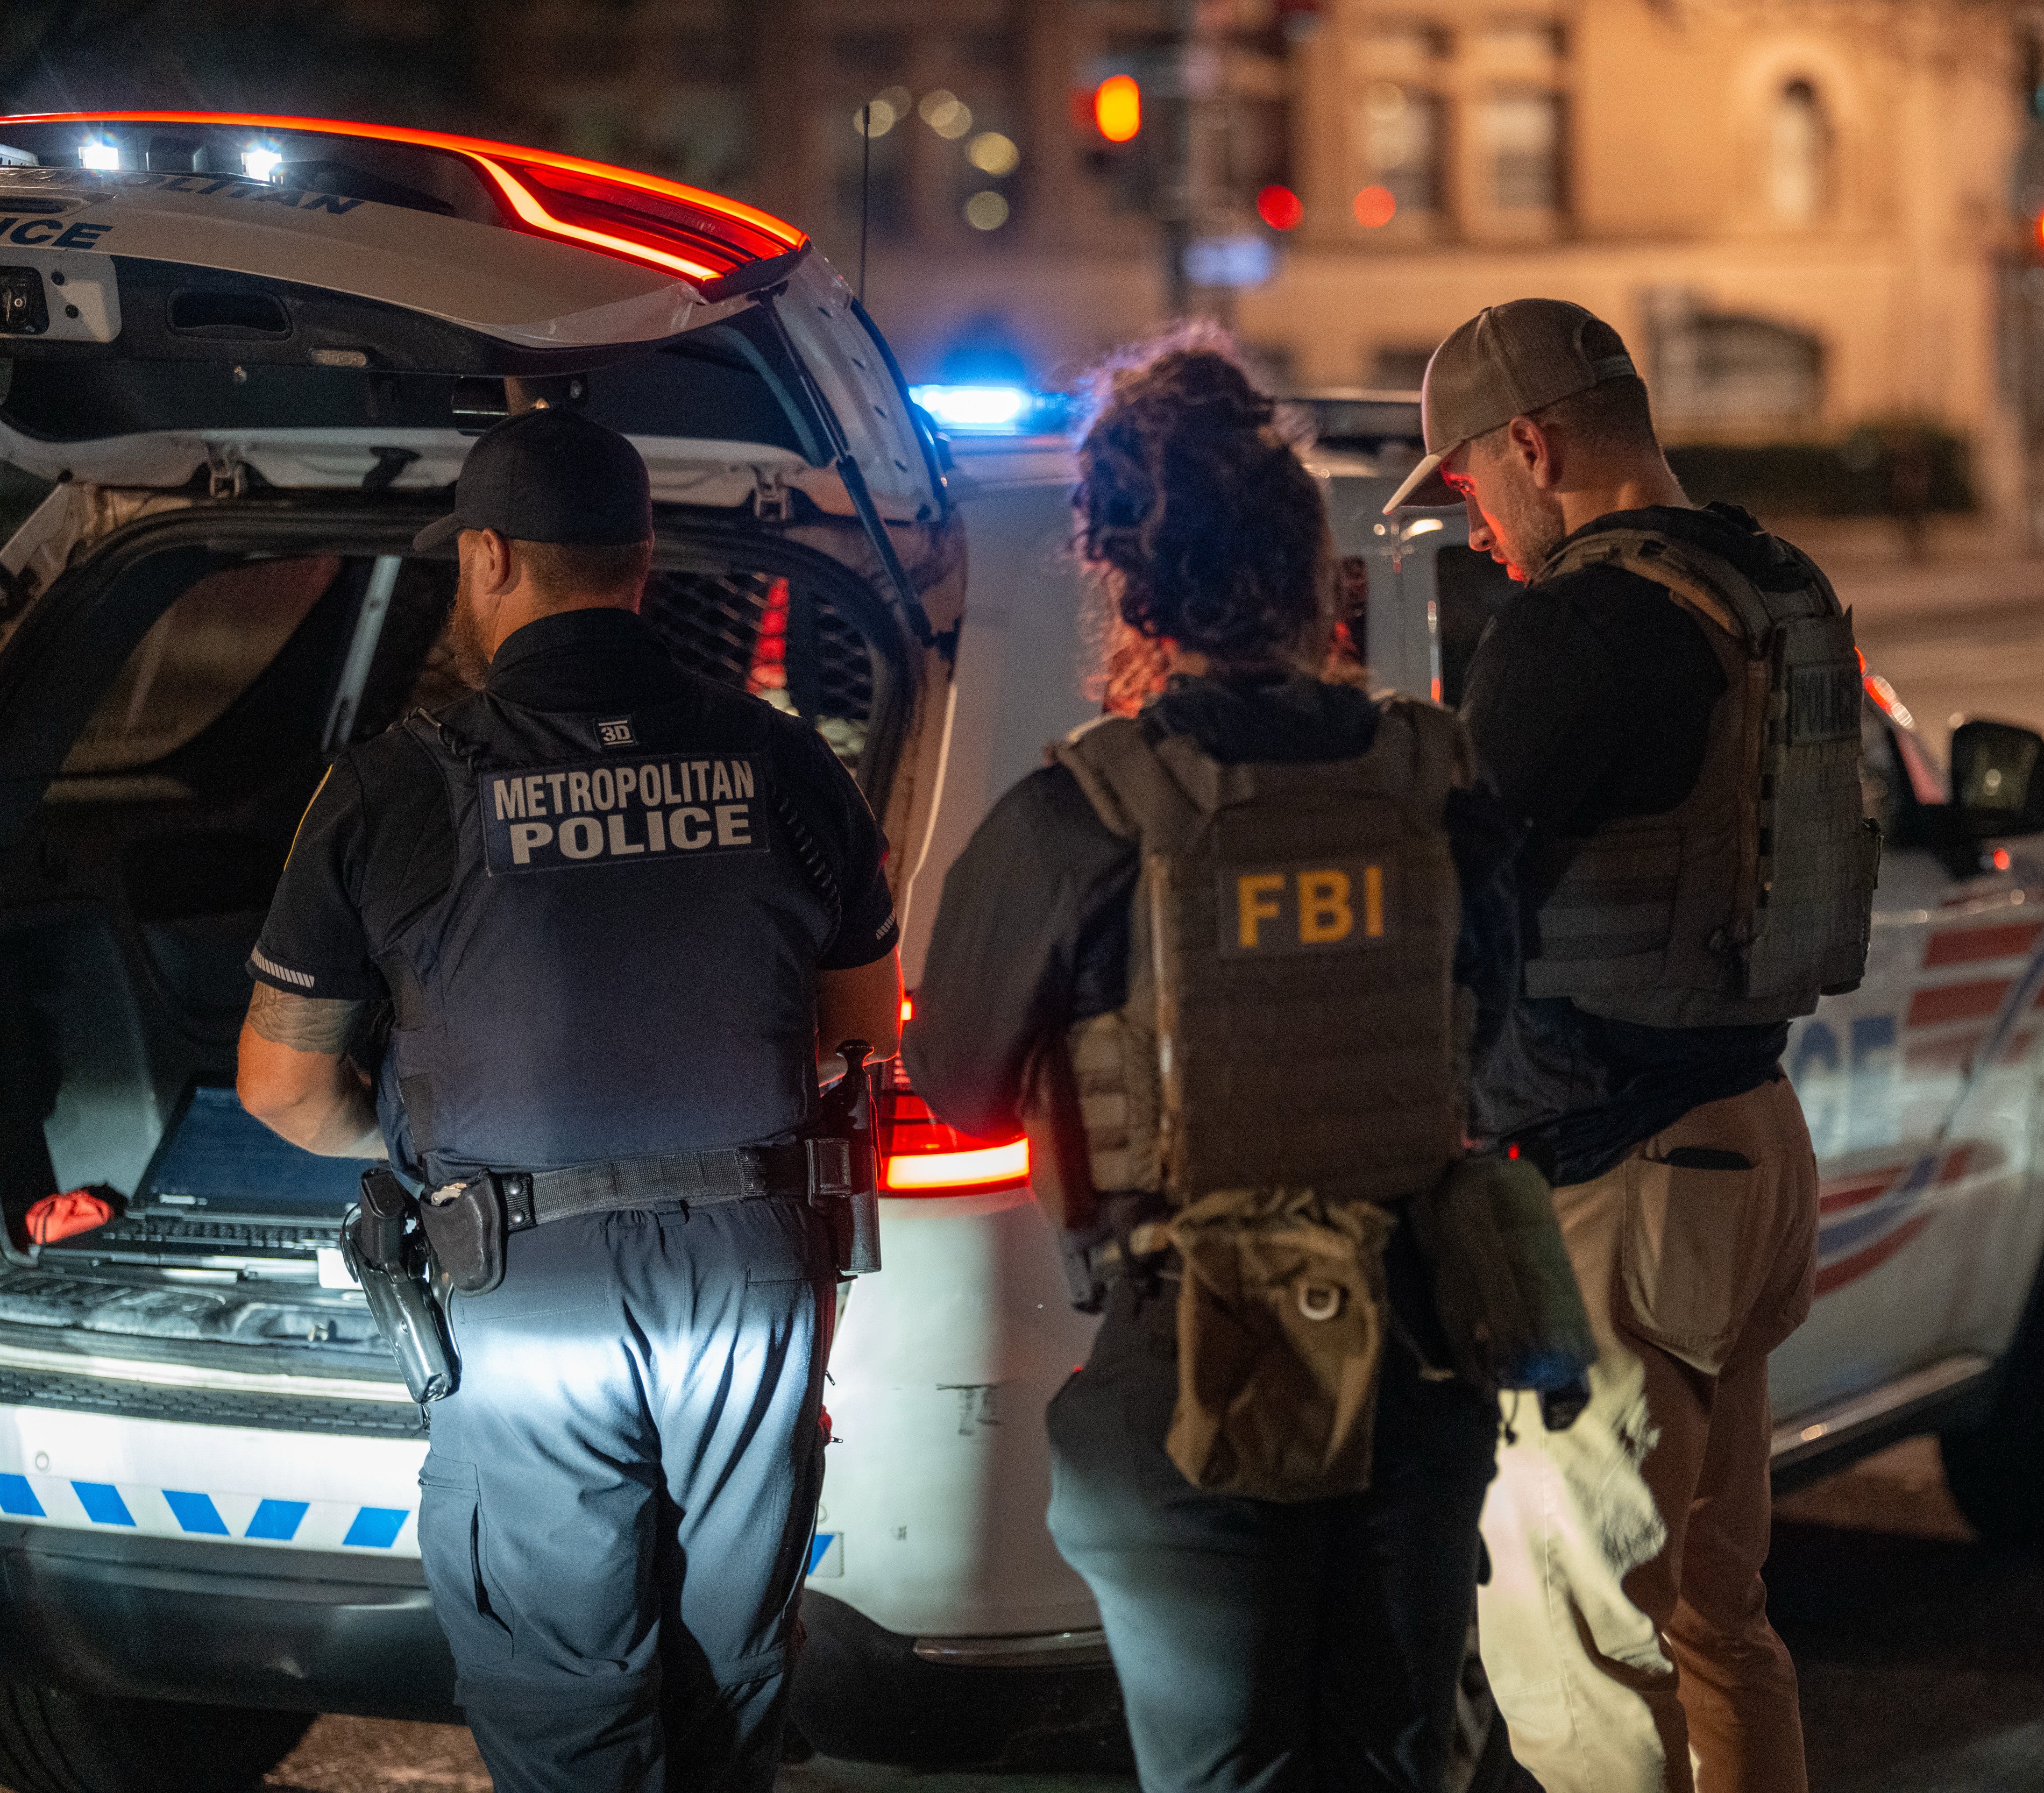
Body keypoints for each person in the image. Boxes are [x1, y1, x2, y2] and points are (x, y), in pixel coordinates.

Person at [236, 405, 901, 1793]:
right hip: (751, 1289)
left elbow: (285, 1086)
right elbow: (857, 1033)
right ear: (640, 561)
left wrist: (429, 1134)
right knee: (730, 1671)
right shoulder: (787, 766)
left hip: (531, 1290)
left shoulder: (393, 791)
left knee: (564, 1698)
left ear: (487, 560)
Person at [903, 333, 1520, 1793]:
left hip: (1191, 1371)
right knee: (1395, 1762)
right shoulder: (1437, 786)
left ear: (1132, 591)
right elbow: (1495, 1030)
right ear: (1324, 588)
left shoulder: (1081, 816)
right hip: (1420, 1353)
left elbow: (963, 1085)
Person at [1384, 299, 1876, 1793]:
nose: (1473, 525)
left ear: (1531, 442)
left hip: (1613, 1188)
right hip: (1744, 1145)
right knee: (1717, 1626)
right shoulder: (1767, 583)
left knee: (1584, 1661)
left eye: (1470, 482)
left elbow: (1458, 895)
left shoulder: (1579, 625)